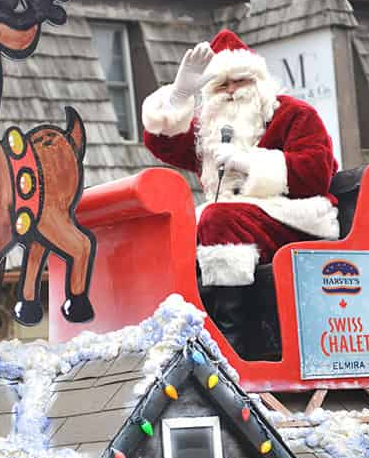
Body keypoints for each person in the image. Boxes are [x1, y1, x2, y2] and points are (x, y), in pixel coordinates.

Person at [142, 29, 340, 354]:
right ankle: (190, 330)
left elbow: (318, 172)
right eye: (221, 84)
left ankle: (233, 341)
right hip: (236, 221)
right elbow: (161, 143)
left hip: (296, 219)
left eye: (240, 80)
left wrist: (251, 164)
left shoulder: (293, 114)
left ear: (259, 80)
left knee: (217, 218)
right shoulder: (210, 131)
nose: (231, 91)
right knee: (183, 227)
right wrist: (178, 96)